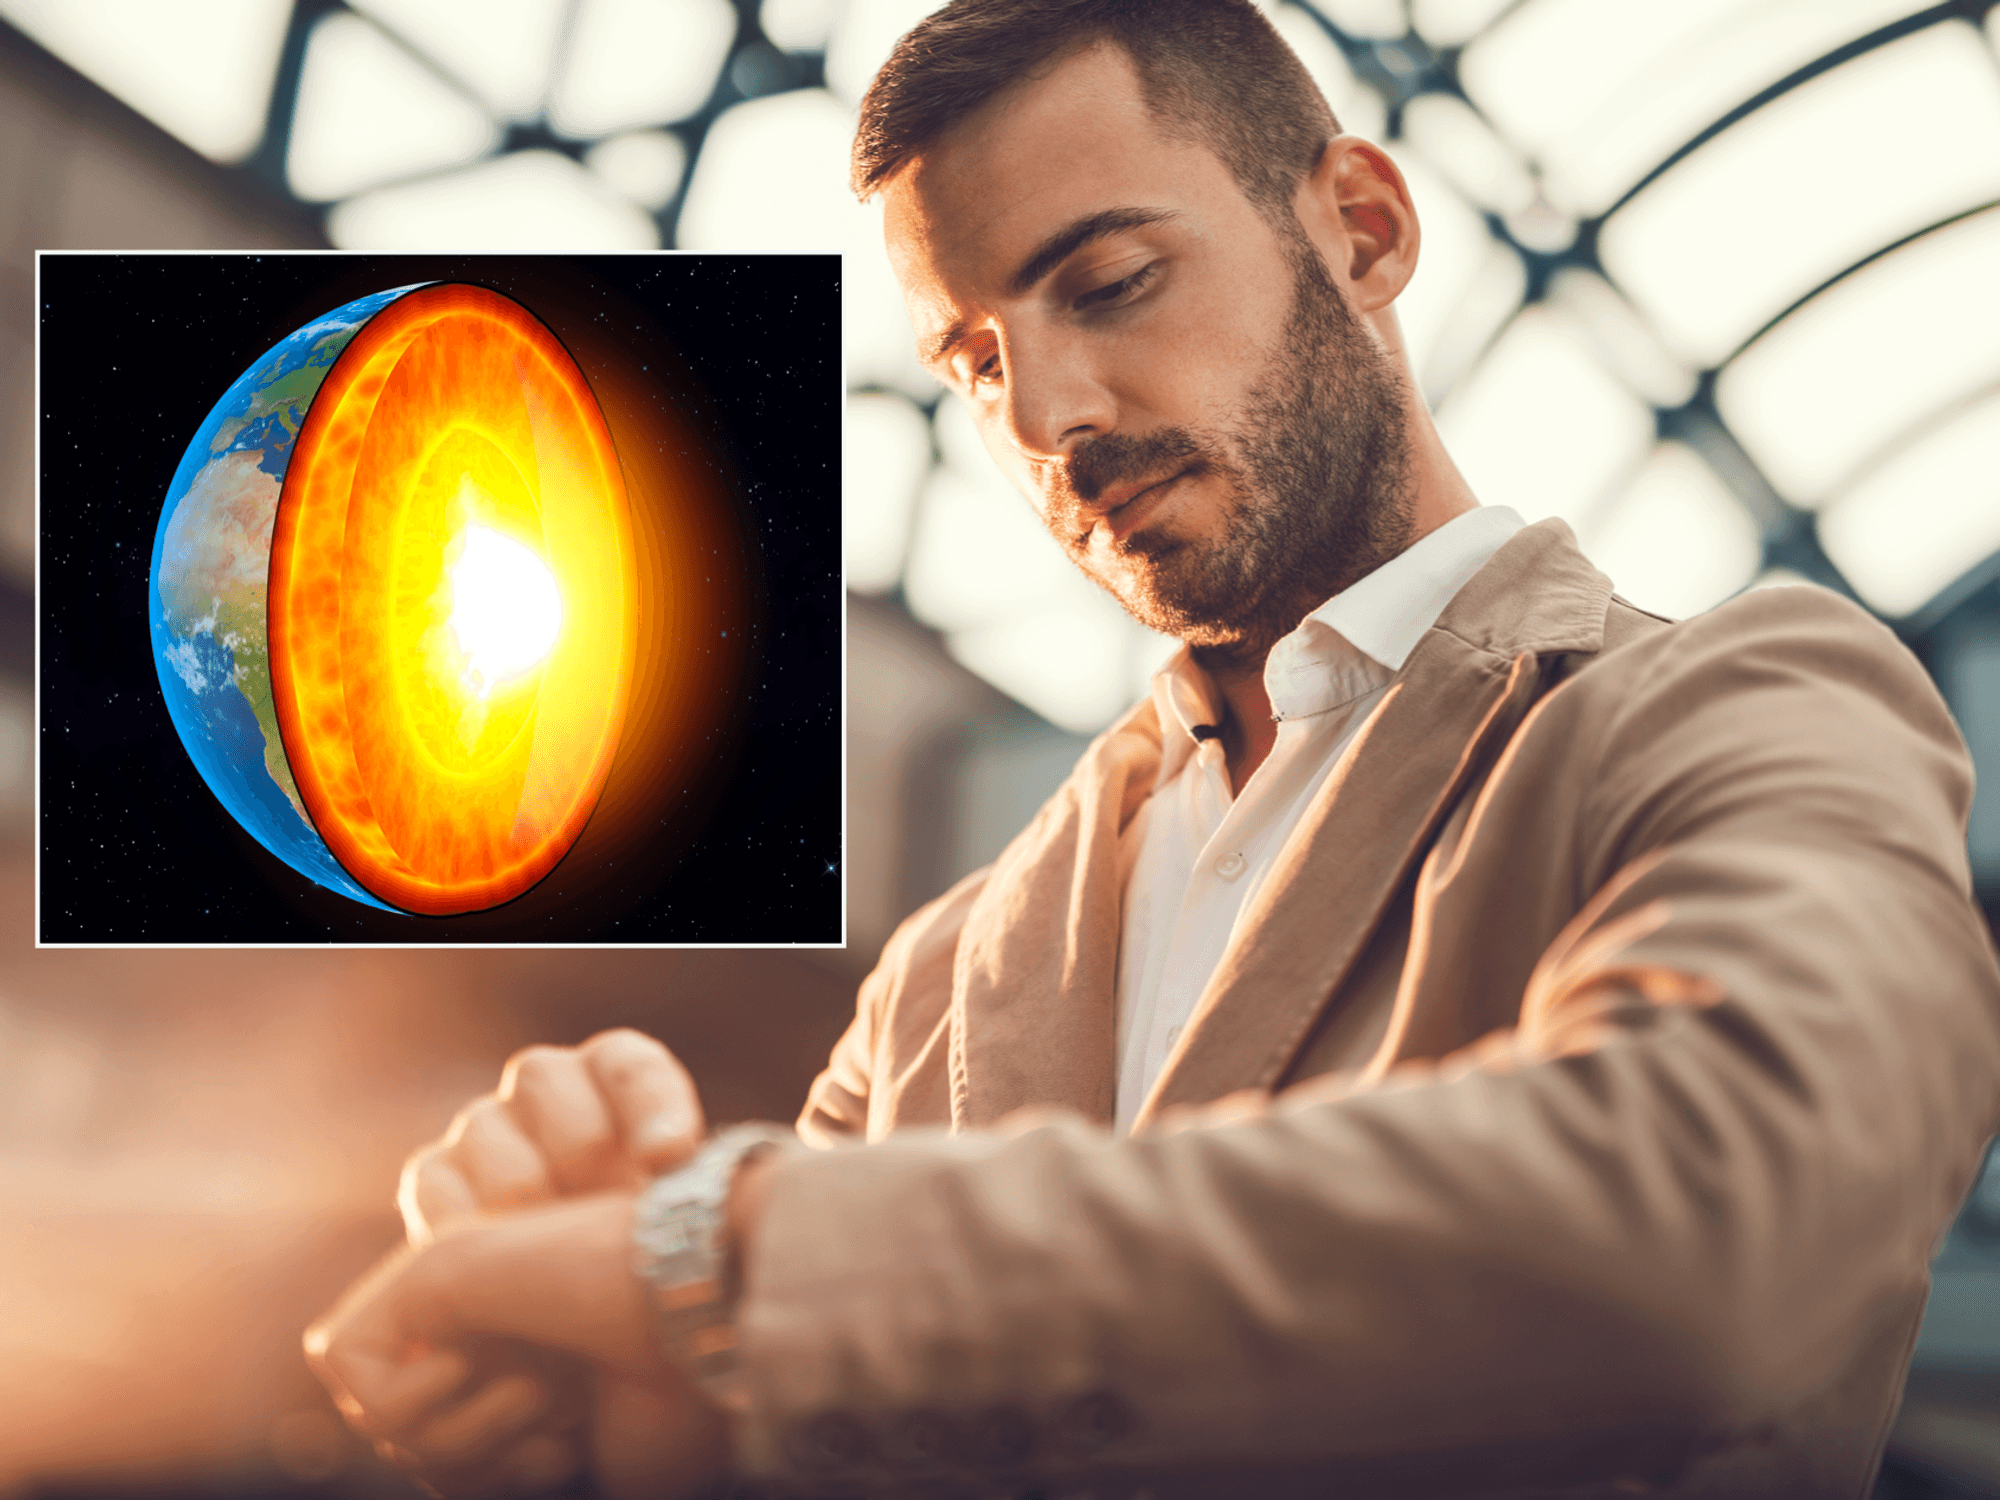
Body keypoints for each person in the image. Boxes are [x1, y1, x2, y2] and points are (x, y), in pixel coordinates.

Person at [306, 2, 2000, 1496]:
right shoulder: (945, 975)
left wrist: (713, 1267)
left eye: (1109, 282)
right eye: (975, 364)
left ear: (1362, 225)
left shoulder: (1743, 705)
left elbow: (1708, 1239)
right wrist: (622, 1396)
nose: (1050, 418)